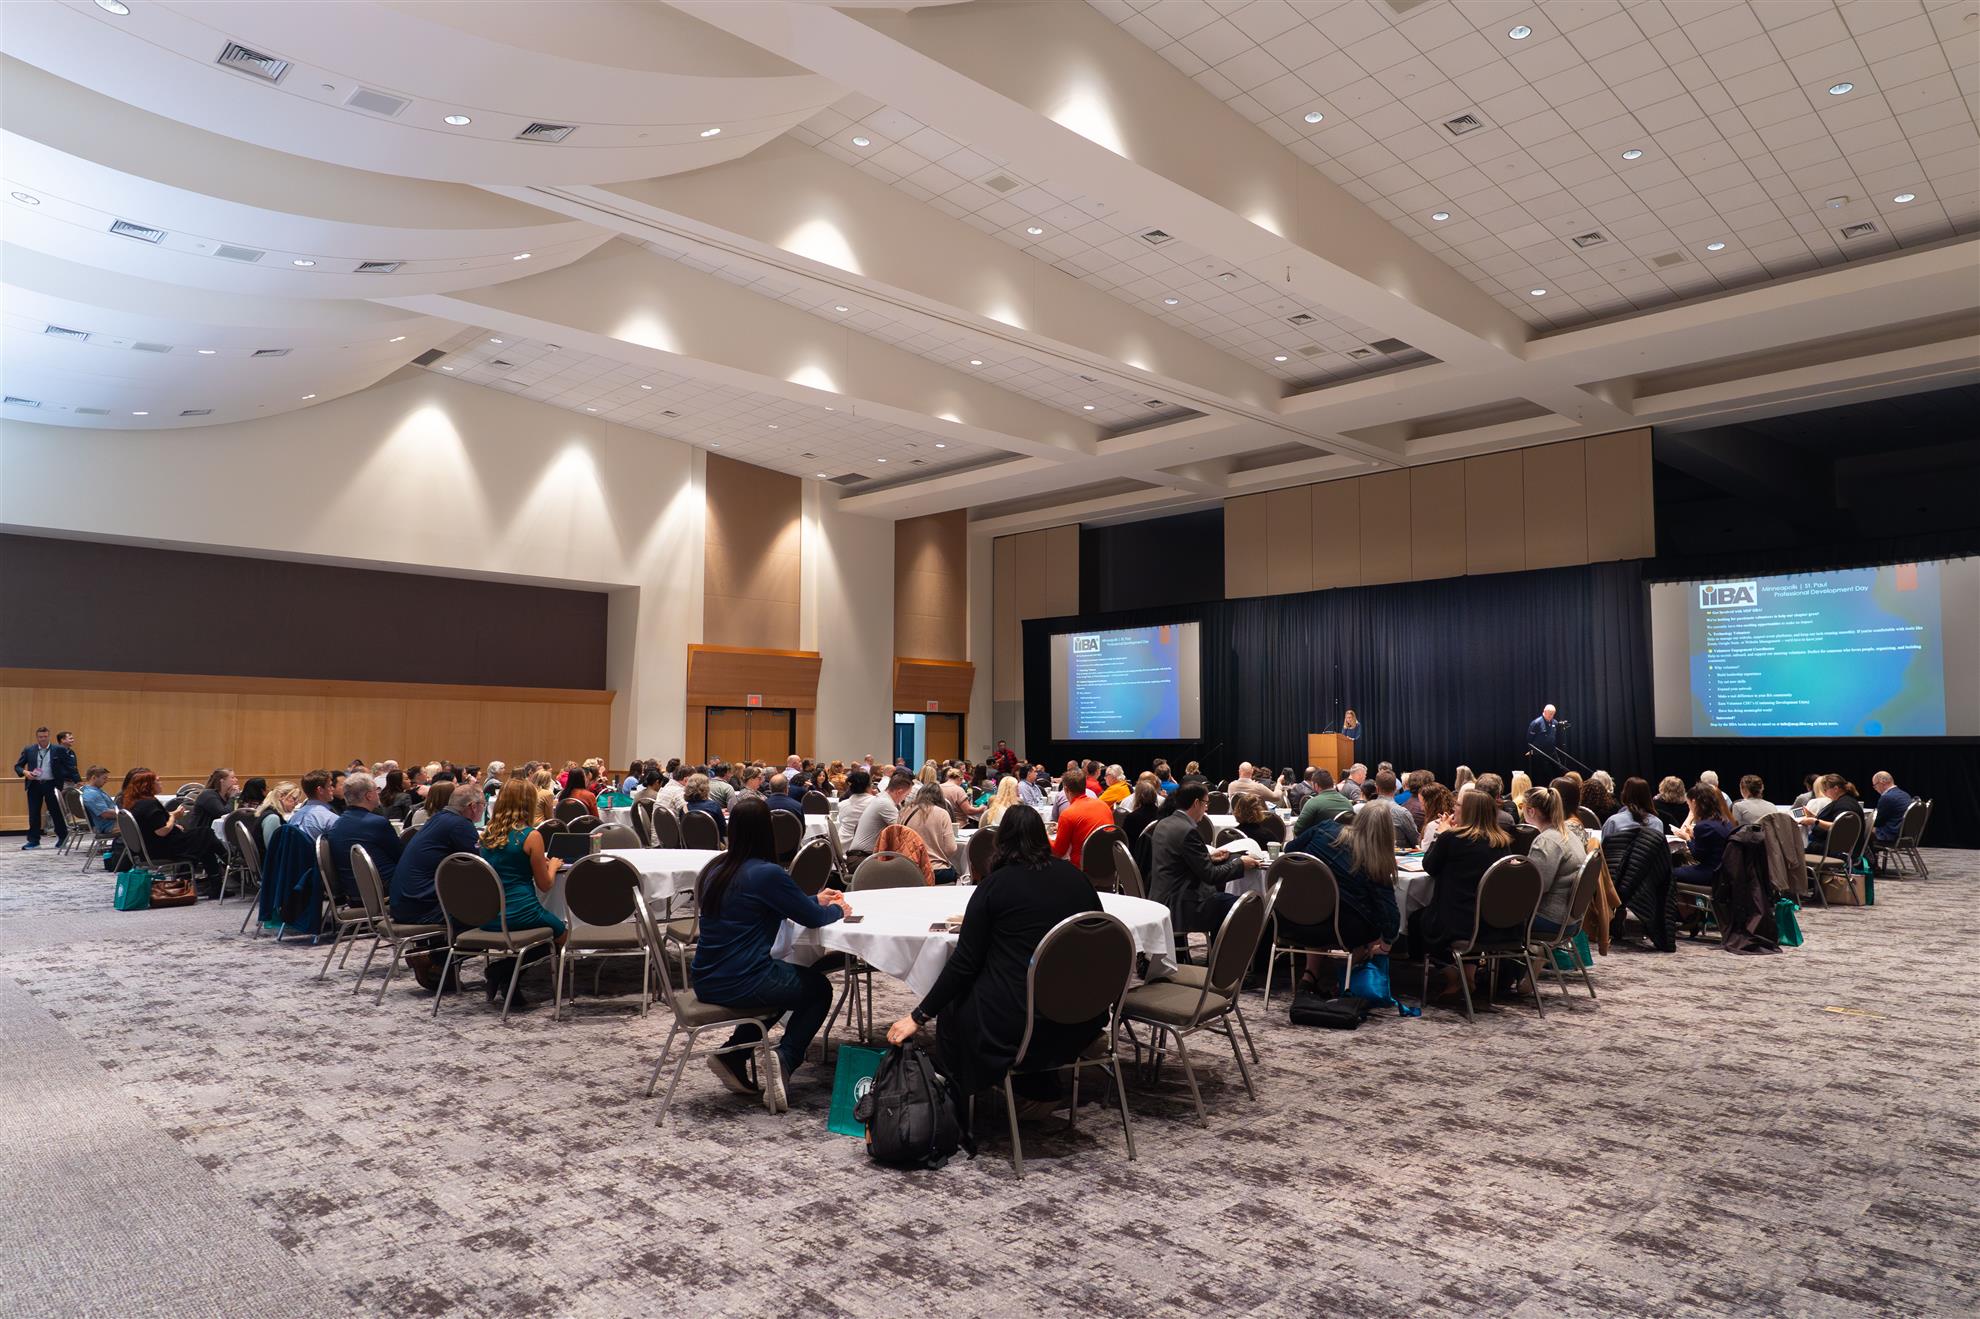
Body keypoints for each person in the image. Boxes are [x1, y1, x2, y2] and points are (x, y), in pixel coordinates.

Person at [885, 803, 1105, 1114]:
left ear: (1001, 842)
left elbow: (964, 963)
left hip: (1020, 1020)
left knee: (957, 1005)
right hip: (1080, 1015)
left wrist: (918, 1016)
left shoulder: (996, 886)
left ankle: (958, 1102)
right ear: (1043, 838)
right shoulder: (1077, 879)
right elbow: (1096, 940)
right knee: (1019, 980)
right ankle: (1039, 1086)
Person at [690, 797, 848, 1111]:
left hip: (706, 978)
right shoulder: (767, 873)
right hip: (743, 980)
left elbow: (767, 903)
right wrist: (838, 910)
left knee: (787, 984)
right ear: (768, 831)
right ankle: (786, 1058)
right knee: (817, 989)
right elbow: (812, 919)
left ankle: (734, 1055)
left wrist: (814, 898)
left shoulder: (717, 869)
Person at [469, 779, 568, 1010]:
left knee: (547, 938)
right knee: (563, 939)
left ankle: (506, 977)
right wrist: (552, 865)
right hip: (523, 911)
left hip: (490, 913)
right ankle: (503, 970)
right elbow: (545, 885)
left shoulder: (486, 835)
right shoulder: (531, 836)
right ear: (528, 803)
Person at [1285, 802, 1400, 992]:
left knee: (1319, 905)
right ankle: (1346, 981)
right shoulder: (1376, 862)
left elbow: (1290, 850)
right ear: (1387, 832)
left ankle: (1310, 975)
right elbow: (1389, 913)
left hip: (1296, 920)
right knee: (1368, 920)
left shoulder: (1324, 829)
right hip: (1343, 931)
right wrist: (1386, 944)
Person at [1419, 789, 1518, 997]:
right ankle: (1468, 977)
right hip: (1493, 922)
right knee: (1465, 911)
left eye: (1457, 804)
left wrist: (1440, 834)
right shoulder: (1502, 841)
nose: (1453, 807)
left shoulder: (1451, 839)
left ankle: (1455, 977)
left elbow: (1429, 866)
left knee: (1417, 921)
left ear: (1468, 811)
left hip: (1457, 922)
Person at [1145, 784, 1260, 948]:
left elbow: (1176, 862)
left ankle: (1216, 954)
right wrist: (1240, 863)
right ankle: (1223, 958)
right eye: (1205, 803)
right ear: (1196, 803)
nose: (1206, 809)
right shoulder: (1188, 831)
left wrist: (1208, 857)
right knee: (1244, 906)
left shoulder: (1164, 823)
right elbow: (1210, 876)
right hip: (1182, 905)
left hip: (1162, 897)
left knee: (1222, 899)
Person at [121, 767, 227, 887]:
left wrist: (172, 820)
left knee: (203, 840)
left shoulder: (136, 802)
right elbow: (162, 831)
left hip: (149, 847)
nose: (160, 783)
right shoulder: (149, 804)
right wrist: (173, 817)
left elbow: (153, 822)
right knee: (206, 834)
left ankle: (215, 884)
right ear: (148, 785)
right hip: (161, 848)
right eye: (157, 781)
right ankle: (228, 863)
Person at [324, 772, 403, 905]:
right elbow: (400, 857)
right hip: (384, 891)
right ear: (369, 795)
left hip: (353, 893)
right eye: (376, 790)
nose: (378, 793)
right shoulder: (377, 823)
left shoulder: (336, 825)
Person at [1522, 787, 1583, 936]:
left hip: (1550, 918)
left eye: (1521, 806)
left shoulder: (1546, 840)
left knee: (1492, 914)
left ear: (1531, 811)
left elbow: (1536, 887)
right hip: (1570, 918)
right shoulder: (1569, 834)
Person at [14, 725, 79, 850]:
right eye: (40, 737)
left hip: (52, 784)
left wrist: (78, 781)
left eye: (45, 736)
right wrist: (25, 772)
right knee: (34, 813)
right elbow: (18, 766)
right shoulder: (29, 750)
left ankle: (63, 838)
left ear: (49, 736)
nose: (43, 739)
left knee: (56, 812)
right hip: (34, 785)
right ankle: (34, 841)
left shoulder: (58, 749)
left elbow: (70, 766)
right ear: (37, 737)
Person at [900, 783, 961, 883]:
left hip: (910, 869)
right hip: (936, 870)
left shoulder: (905, 811)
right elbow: (951, 848)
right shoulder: (942, 813)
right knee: (958, 873)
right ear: (940, 797)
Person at [1049, 769, 1113, 864]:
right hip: (1108, 863)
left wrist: (1044, 835)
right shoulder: (1103, 805)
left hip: (1082, 866)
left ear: (1066, 789)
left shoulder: (1068, 814)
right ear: (1084, 786)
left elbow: (1058, 853)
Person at [848, 769, 912, 854]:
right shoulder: (885, 803)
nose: (905, 799)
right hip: (864, 857)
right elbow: (903, 831)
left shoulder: (882, 798)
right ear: (899, 792)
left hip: (864, 855)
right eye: (906, 795)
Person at [1799, 773, 1863, 851]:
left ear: (1836, 789)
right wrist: (1814, 817)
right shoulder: (1846, 800)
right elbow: (1834, 820)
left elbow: (1840, 827)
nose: (1825, 793)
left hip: (1837, 849)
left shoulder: (1844, 805)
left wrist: (1815, 821)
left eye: (1826, 790)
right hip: (1841, 846)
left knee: (1798, 847)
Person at [1601, 776, 1665, 841]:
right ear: (1648, 797)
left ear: (1624, 795)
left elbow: (1604, 846)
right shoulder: (1657, 823)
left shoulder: (1612, 822)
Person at [1369, 769, 1421, 847]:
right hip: (1396, 854)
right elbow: (1416, 841)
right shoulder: (1402, 813)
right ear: (1396, 788)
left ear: (1377, 788)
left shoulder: (1365, 810)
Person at [1292, 769, 1352, 835]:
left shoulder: (1313, 802)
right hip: (1343, 840)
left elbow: (1297, 829)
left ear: (1316, 785)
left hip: (1320, 840)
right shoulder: (1347, 802)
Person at [189, 767, 238, 840]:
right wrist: (232, 797)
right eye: (232, 778)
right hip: (201, 836)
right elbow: (224, 813)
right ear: (222, 781)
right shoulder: (208, 795)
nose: (236, 780)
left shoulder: (226, 795)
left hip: (214, 833)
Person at [289, 769, 338, 840]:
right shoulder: (331, 819)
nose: (332, 789)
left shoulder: (293, 817)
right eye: (329, 786)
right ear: (320, 790)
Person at [1867, 772, 1913, 847]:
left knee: (1863, 830)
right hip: (1906, 833)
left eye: (1875, 786)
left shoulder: (1887, 797)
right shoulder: (1905, 794)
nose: (1875, 789)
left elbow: (1877, 822)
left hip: (1891, 835)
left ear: (1882, 782)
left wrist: (1865, 821)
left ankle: (1866, 854)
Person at [256, 781, 302, 850]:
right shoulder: (272, 818)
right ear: (281, 796)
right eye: (294, 799)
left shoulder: (269, 811)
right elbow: (273, 850)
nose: (297, 803)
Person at [835, 768, 874, 849]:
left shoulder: (842, 805)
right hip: (864, 849)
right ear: (869, 786)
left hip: (841, 847)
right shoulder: (875, 803)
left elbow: (841, 822)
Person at [1118, 779, 1163, 847]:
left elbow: (1124, 840)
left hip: (1136, 852)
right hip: (1157, 850)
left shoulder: (1132, 818)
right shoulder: (1162, 815)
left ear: (1138, 796)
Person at [79, 765, 119, 841]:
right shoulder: (92, 794)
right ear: (94, 778)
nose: (106, 781)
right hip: (109, 826)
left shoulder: (92, 790)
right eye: (104, 778)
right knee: (139, 824)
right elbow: (105, 814)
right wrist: (126, 814)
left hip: (109, 823)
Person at [683, 773, 726, 844]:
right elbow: (723, 830)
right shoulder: (714, 806)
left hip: (690, 847)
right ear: (706, 788)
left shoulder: (683, 809)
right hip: (714, 846)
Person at [1527, 703, 1562, 779]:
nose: (1551, 715)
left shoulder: (1554, 722)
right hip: (1540, 753)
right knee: (1545, 774)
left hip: (1552, 751)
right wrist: (1532, 750)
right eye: (1550, 713)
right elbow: (1529, 739)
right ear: (1544, 711)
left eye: (1553, 714)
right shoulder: (1536, 723)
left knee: (1559, 769)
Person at [1417, 783, 1455, 849]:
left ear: (1430, 804)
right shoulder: (1456, 818)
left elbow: (1426, 850)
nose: (1421, 808)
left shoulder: (1433, 825)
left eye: (1422, 804)